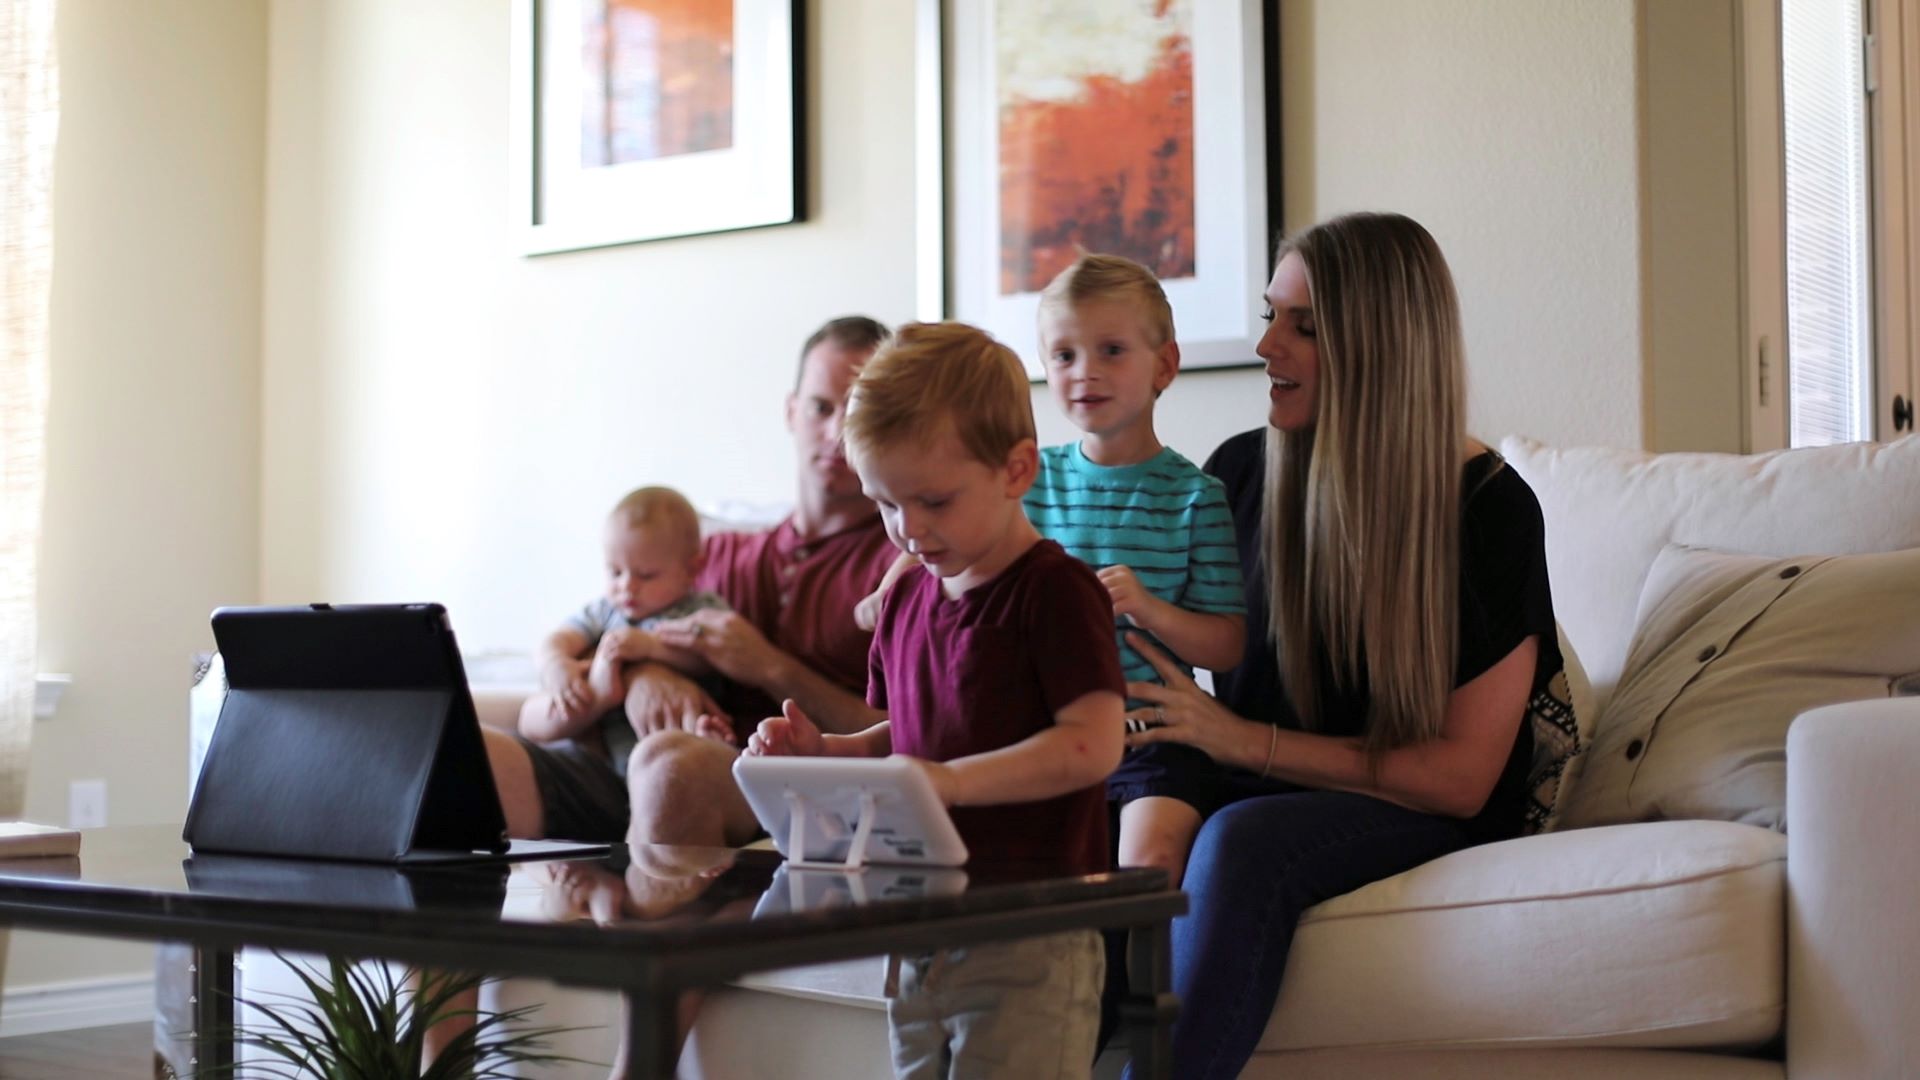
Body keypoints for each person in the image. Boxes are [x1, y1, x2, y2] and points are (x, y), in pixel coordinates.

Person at [1115, 212, 1566, 1079]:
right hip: (1259, 775)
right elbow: (1141, 653)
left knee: (1244, 842)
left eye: (1304, 326)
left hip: (1421, 808)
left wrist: (1240, 740)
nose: (1264, 344)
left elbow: (1463, 780)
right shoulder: (1241, 470)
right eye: (1269, 313)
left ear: (1386, 346)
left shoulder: (1490, 511)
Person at [747, 320, 1126, 1079]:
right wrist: (829, 755)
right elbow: (909, 736)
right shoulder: (906, 600)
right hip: (918, 929)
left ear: (1017, 469)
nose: (909, 530)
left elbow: (1093, 743)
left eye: (934, 501)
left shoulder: (1054, 592)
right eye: (885, 504)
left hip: (1033, 935)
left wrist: (955, 781)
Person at [857, 254, 1245, 889]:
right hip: (1033, 732)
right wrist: (888, 584)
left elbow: (1227, 646)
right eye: (1064, 355)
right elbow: (949, 535)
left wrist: (1149, 607)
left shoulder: (1195, 496)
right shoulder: (1032, 475)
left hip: (1152, 738)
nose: (1084, 372)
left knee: (1144, 864)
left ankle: (1129, 988)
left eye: (1111, 350)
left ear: (1165, 367)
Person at [481, 314, 900, 846]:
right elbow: (589, 637)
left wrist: (770, 667)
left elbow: (906, 732)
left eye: (857, 410)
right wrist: (641, 674)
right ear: (792, 412)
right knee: (460, 754)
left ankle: (632, 922)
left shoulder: (899, 565)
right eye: (820, 407)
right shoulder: (707, 551)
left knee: (666, 765)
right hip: (613, 763)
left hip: (755, 782)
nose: (835, 429)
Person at [518, 486, 733, 796]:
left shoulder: (700, 611)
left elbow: (709, 658)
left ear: (691, 570)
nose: (626, 587)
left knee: (700, 743)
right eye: (615, 571)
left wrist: (651, 647)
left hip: (677, 738)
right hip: (610, 750)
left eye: (646, 575)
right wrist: (556, 664)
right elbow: (558, 638)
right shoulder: (605, 611)